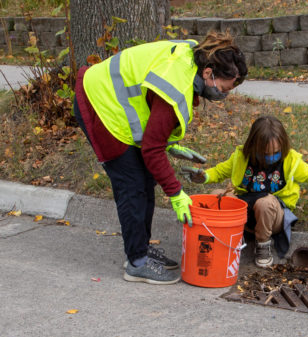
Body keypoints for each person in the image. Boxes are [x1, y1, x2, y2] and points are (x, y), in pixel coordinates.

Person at [73, 31, 247, 284]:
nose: (224, 95)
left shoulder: (193, 58)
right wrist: (176, 194)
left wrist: (170, 145)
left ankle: (141, 247)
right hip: (99, 103)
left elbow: (153, 126)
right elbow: (151, 149)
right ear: (209, 73)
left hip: (114, 104)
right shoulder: (177, 84)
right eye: (223, 88)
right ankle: (137, 262)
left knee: (145, 181)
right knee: (133, 185)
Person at [181, 116, 308, 268]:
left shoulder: (292, 161)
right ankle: (224, 238)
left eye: (276, 153)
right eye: (264, 153)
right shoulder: (241, 157)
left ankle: (262, 245)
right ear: (253, 146)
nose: (270, 157)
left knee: (265, 202)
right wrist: (203, 177)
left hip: (273, 215)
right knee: (216, 195)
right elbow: (219, 172)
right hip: (244, 212)